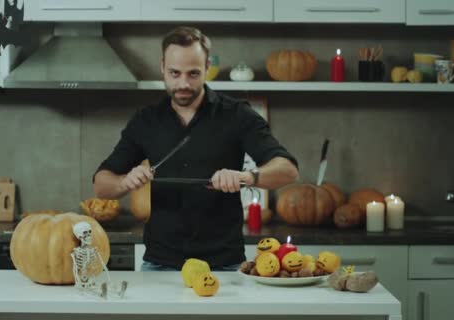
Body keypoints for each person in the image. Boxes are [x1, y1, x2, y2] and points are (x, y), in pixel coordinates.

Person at [93, 26, 299, 271]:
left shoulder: (237, 114)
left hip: (225, 264)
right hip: (160, 263)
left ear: (207, 66)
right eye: (174, 73)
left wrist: (246, 177)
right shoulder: (146, 121)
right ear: (162, 66)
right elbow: (101, 185)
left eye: (193, 73)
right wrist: (124, 182)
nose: (183, 83)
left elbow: (287, 169)